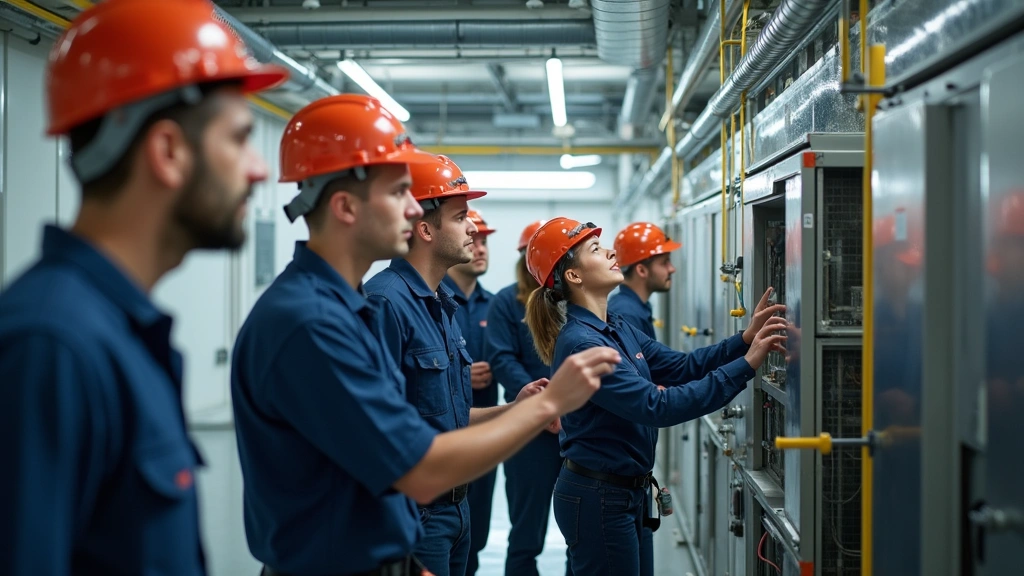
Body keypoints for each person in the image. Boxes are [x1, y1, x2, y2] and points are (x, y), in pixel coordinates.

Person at [232, 96, 622, 576]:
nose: (414, 207)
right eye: (399, 192)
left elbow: (407, 431)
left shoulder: (348, 308)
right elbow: (416, 465)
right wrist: (548, 404)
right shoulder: (311, 322)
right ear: (344, 206)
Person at [0, 1, 287, 574]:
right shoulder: (51, 347)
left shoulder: (118, 332)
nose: (259, 170)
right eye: (237, 139)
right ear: (168, 152)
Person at [523, 217, 787, 576]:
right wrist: (748, 365)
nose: (612, 251)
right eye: (596, 250)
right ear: (574, 276)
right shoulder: (583, 343)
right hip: (599, 497)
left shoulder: (615, 325)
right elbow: (657, 406)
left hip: (624, 492)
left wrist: (743, 341)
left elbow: (680, 366)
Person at [486, 220, 571, 576]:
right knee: (526, 530)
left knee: (579, 529)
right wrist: (541, 401)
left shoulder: (571, 302)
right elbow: (502, 359)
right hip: (527, 431)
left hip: (573, 426)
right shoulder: (506, 302)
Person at [441, 209, 497, 576]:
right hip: (445, 434)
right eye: (473, 239)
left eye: (485, 242)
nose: (479, 249)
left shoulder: (496, 305)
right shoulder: (435, 302)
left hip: (488, 431)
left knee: (474, 529)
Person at [609, 222, 681, 340]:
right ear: (641, 270)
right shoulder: (626, 315)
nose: (672, 269)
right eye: (664, 263)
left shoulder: (634, 307)